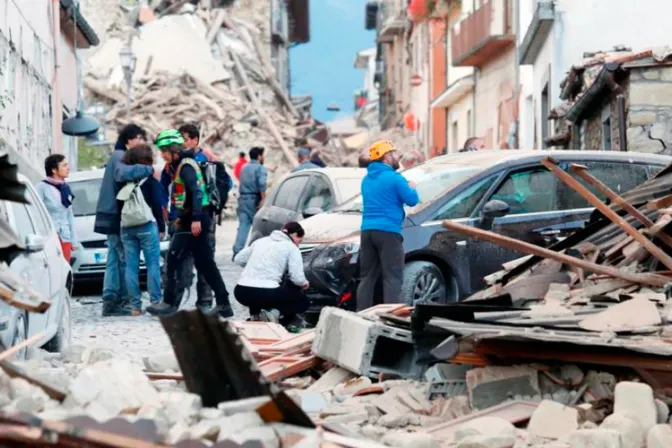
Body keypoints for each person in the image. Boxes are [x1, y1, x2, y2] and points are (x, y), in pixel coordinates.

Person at [147, 129, 234, 318]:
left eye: (164, 151)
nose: (162, 155)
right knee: (205, 264)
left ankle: (169, 303)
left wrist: (194, 218)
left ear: (173, 150)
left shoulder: (186, 166)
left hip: (193, 221)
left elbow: (197, 192)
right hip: (191, 219)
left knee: (173, 259)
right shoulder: (181, 165)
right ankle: (224, 303)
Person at [95, 124, 154, 317]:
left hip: (110, 213)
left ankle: (111, 299)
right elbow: (121, 174)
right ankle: (116, 300)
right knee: (119, 259)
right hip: (115, 215)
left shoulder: (117, 155)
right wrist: (147, 169)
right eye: (139, 138)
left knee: (114, 257)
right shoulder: (120, 155)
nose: (141, 142)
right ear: (130, 139)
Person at [357, 141, 419, 311]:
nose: (397, 157)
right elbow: (412, 200)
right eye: (394, 153)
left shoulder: (366, 180)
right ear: (387, 157)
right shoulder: (395, 178)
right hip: (388, 232)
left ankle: (361, 314)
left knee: (367, 277)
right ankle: (391, 314)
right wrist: (412, 187)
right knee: (392, 276)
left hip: (367, 231)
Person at [234, 222, 310, 329]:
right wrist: (304, 283)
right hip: (267, 293)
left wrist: (256, 267)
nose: (298, 244)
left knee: (260, 293)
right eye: (299, 241)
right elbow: (296, 278)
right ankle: (275, 314)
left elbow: (238, 259)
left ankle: (256, 316)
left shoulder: (261, 241)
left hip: (241, 292)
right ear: (295, 235)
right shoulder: (291, 247)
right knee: (302, 301)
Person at [119, 145, 166, 316]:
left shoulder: (123, 181)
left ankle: (135, 307)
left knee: (131, 267)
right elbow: (158, 205)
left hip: (127, 227)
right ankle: (155, 301)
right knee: (152, 264)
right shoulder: (151, 182)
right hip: (147, 225)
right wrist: (162, 227)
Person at [177, 123, 217, 311]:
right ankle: (175, 299)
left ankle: (205, 300)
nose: (182, 143)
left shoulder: (206, 159)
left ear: (195, 140)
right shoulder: (177, 160)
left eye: (184, 139)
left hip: (203, 214)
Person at [36, 154, 79, 263]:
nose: (68, 168)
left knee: (65, 274)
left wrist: (74, 240)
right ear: (54, 170)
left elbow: (69, 216)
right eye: (64, 165)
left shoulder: (65, 188)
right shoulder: (42, 187)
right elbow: (36, 212)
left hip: (65, 237)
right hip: (49, 238)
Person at [233, 146, 267, 258]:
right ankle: (258, 253)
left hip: (243, 199)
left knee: (243, 225)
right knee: (258, 227)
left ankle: (237, 251)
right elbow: (262, 184)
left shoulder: (244, 167)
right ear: (259, 156)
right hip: (254, 200)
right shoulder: (260, 168)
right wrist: (263, 199)